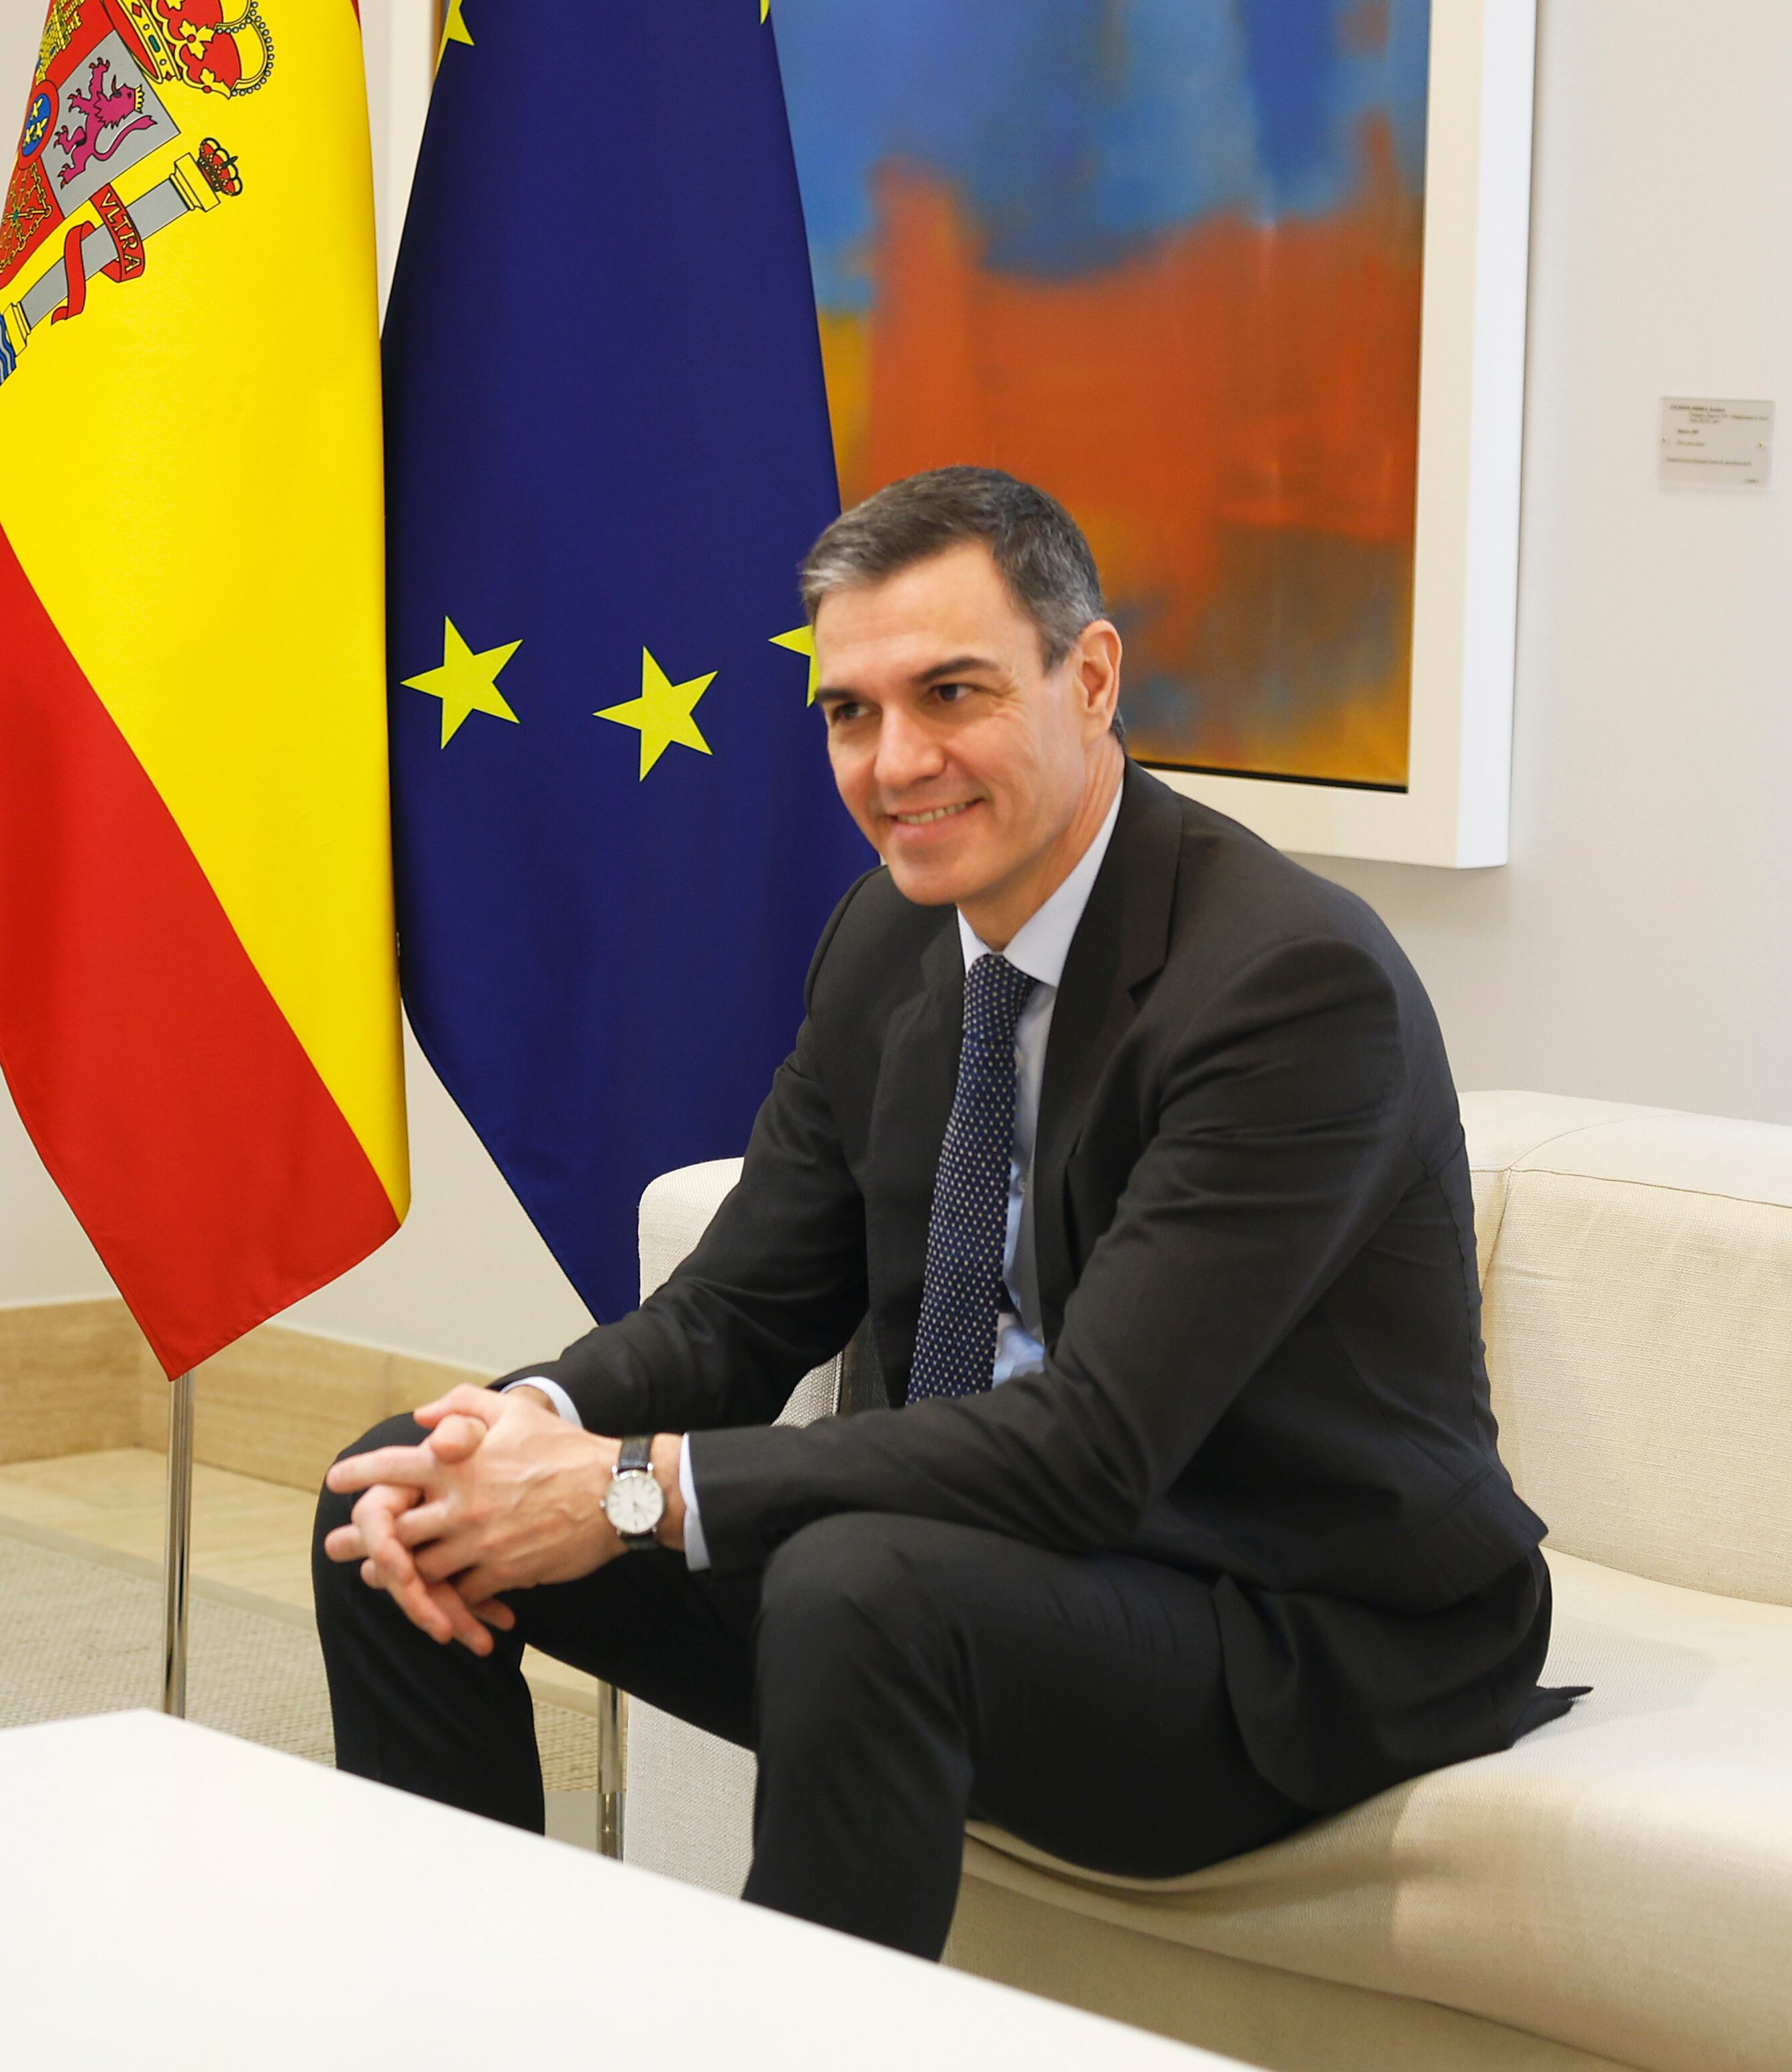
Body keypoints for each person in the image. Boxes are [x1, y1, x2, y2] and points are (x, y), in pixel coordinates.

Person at [314, 466, 1571, 1958]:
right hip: (972, 1570)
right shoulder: (889, 933)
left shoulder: (1287, 985)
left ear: (1088, 678)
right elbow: (737, 1312)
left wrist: (628, 1489)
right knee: (393, 1497)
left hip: (1282, 1621)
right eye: (850, 712)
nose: (895, 761)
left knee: (860, 1583)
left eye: (950, 694)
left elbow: (1093, 1448)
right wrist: (524, 1426)